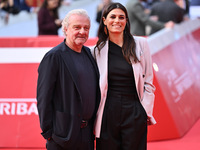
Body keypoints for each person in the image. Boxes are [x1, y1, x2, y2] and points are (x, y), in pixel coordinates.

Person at [92, 2, 156, 150]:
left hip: (134, 110)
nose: (117, 21)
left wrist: (144, 111)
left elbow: (148, 81)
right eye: (112, 17)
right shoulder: (97, 51)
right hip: (107, 112)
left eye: (121, 17)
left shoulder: (140, 44)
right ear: (104, 21)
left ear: (126, 21)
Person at [37, 9, 100, 150]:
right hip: (62, 136)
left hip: (87, 134)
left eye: (86, 28)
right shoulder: (54, 57)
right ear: (65, 29)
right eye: (77, 27)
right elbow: (44, 97)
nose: (82, 32)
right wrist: (49, 133)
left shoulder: (89, 54)